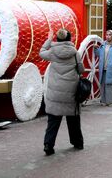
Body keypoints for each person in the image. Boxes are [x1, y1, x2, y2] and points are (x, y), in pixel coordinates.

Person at [39, 28, 84, 156]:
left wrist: (48, 39)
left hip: (56, 93)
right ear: (69, 39)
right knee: (74, 120)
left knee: (53, 121)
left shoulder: (52, 51)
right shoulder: (75, 53)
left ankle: (48, 145)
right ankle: (77, 142)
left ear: (57, 39)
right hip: (71, 92)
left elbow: (41, 52)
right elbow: (81, 70)